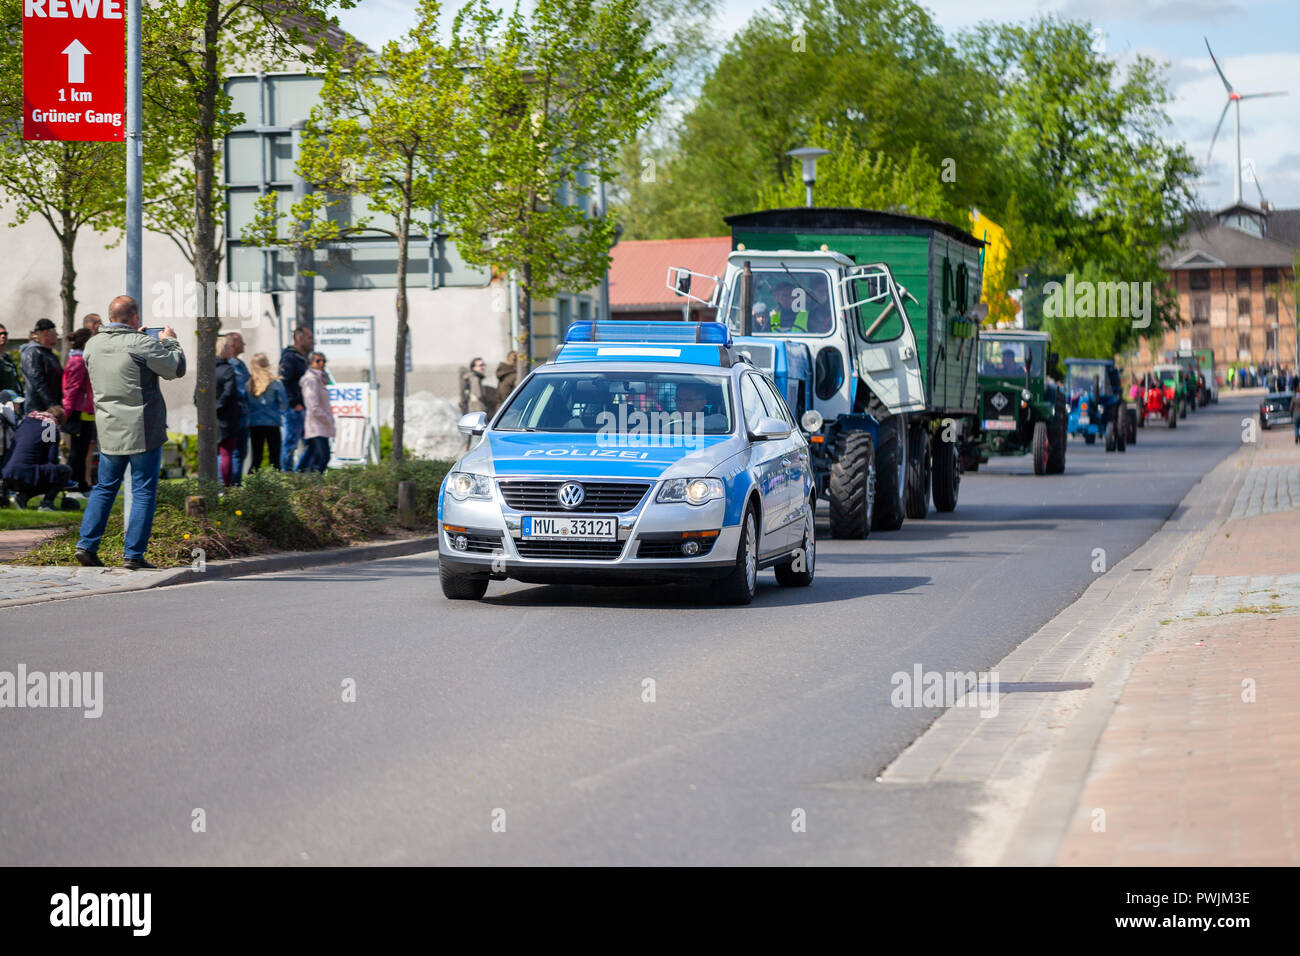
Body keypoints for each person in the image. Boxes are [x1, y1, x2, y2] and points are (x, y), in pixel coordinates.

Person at [75, 295, 186, 569]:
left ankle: (86, 545)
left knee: (104, 487)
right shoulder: (142, 342)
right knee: (143, 490)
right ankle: (133, 555)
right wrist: (169, 340)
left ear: (110, 317)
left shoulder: (93, 344)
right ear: (135, 318)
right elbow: (176, 368)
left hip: (109, 428)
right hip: (142, 428)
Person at [19, 319, 65, 509]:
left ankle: (31, 496)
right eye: (54, 331)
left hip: (50, 414)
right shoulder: (33, 353)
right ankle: (37, 498)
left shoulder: (49, 354)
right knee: (45, 457)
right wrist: (52, 405)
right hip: (40, 415)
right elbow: (37, 382)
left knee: (50, 457)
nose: (57, 335)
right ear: (45, 333)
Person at [1, 406, 73, 510]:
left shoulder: (26, 422)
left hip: (7, 473)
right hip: (25, 473)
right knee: (64, 471)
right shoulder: (50, 426)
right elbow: (52, 459)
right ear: (59, 420)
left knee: (43, 472)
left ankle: (22, 499)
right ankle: (47, 504)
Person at [62, 328, 97, 493]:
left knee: (82, 451)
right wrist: (66, 414)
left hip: (86, 411)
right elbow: (72, 389)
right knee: (76, 452)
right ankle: (70, 484)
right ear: (85, 343)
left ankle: (81, 483)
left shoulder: (84, 359)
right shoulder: (77, 361)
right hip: (78, 412)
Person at [279, 325, 313, 471]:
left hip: (303, 407)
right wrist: (294, 403)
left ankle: (300, 473)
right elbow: (284, 381)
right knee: (291, 443)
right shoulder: (289, 357)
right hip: (295, 409)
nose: (312, 341)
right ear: (299, 339)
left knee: (312, 443)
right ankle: (287, 476)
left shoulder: (301, 358)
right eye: (310, 338)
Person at [211, 336, 243, 486]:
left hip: (211, 417)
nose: (232, 349)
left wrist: (209, 409)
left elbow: (197, 395)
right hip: (227, 417)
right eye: (228, 347)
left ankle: (217, 485)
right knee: (226, 453)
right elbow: (229, 392)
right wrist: (219, 406)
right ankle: (227, 486)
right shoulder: (228, 369)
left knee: (217, 453)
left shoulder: (207, 369)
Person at [246, 352, 287, 471]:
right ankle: (276, 485)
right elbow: (284, 404)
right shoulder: (275, 383)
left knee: (256, 459)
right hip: (272, 423)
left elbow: (245, 403)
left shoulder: (248, 384)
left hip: (255, 424)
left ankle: (251, 485)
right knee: (275, 460)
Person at [296, 351, 334, 473]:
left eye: (324, 361)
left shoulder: (320, 379)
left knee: (318, 458)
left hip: (322, 425)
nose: (321, 363)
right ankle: (313, 486)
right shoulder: (311, 380)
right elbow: (313, 405)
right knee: (322, 458)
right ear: (311, 363)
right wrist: (326, 418)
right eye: (318, 361)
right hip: (316, 425)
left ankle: (311, 484)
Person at [224, 331, 250, 485]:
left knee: (241, 453)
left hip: (245, 415)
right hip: (236, 415)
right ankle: (231, 487)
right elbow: (238, 390)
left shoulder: (241, 364)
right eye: (241, 341)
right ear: (233, 344)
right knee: (234, 453)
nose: (244, 344)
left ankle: (237, 485)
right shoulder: (230, 366)